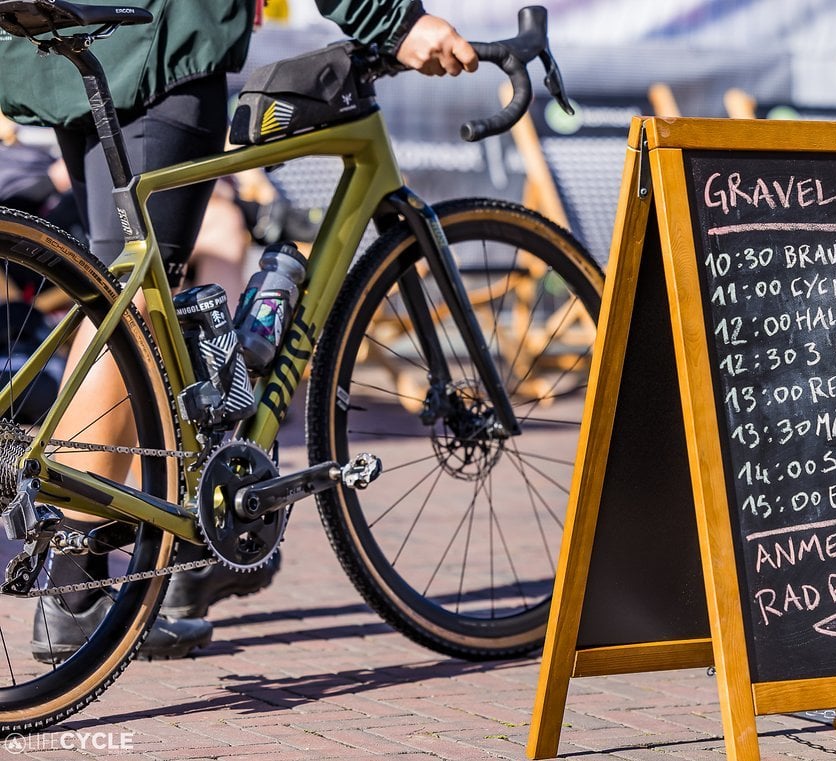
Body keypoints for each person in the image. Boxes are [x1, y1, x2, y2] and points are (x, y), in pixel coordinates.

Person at [0, 0, 478, 660]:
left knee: (119, 288)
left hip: (74, 35)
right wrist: (395, 21)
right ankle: (75, 589)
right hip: (155, 39)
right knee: (132, 298)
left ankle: (160, 562)